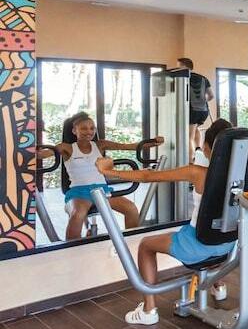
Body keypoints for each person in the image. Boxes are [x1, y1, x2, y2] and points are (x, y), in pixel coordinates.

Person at [96, 119, 234, 325]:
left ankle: (148, 310)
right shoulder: (240, 176)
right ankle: (219, 286)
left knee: (146, 245)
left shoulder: (197, 172)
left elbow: (148, 176)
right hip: (227, 246)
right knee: (212, 232)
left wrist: (108, 171)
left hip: (198, 248)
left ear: (207, 147)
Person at [38, 112, 163, 240]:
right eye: (84, 128)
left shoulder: (100, 145)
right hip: (80, 192)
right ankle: (72, 248)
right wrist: (33, 149)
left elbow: (129, 147)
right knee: (77, 215)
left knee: (131, 209)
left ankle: (132, 241)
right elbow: (44, 154)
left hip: (103, 191)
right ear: (74, 131)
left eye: (92, 128)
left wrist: (153, 143)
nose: (89, 132)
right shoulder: (66, 148)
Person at [178, 58, 214, 159]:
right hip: (203, 111)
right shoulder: (203, 78)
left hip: (192, 111)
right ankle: (198, 150)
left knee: (189, 137)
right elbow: (211, 96)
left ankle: (191, 160)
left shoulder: (183, 78)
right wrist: (202, 101)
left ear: (184, 67)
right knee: (195, 129)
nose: (178, 69)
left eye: (179, 66)